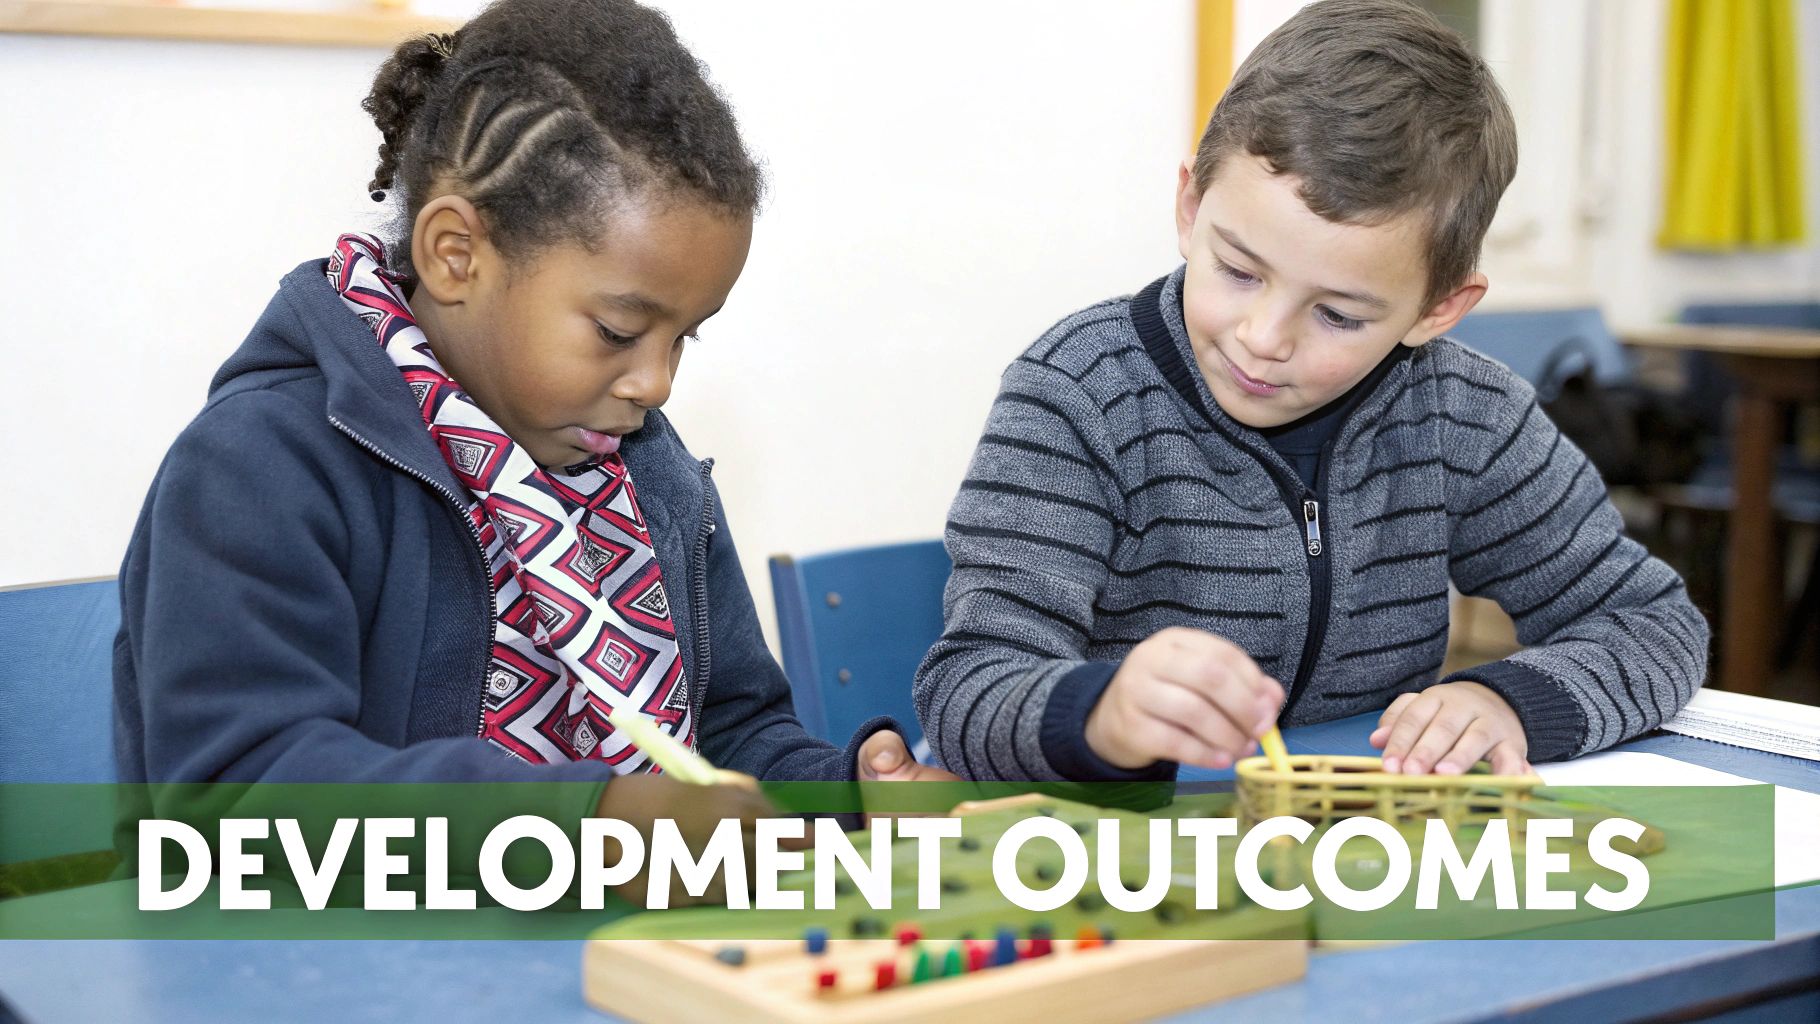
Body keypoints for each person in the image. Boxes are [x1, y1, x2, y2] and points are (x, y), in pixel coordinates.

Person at [113, 0, 950, 892]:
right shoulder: (261, 465)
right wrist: (586, 823)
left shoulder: (650, 475)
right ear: (455, 254)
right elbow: (241, 793)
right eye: (618, 329)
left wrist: (849, 800)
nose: (655, 382)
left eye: (684, 339)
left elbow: (731, 737)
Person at [914, 0, 1707, 783]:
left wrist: (1509, 702)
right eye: (1237, 270)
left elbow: (1653, 625)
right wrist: (1102, 715)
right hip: (1123, 859)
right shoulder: (1078, 396)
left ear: (1438, 309)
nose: (1265, 336)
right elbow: (969, 689)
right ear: (1192, 207)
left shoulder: (1466, 417)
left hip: (1348, 851)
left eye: (1337, 314)